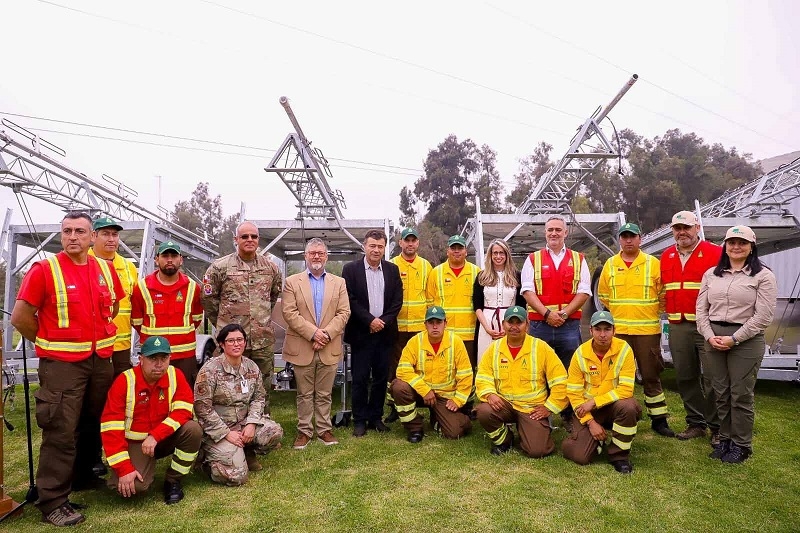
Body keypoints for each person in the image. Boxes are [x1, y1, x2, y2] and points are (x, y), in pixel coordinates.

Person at [11, 211, 124, 526]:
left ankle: (84, 476)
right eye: (67, 231)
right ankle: (52, 500)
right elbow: (20, 317)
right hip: (62, 365)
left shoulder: (105, 268)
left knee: (92, 422)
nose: (73, 237)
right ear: (61, 236)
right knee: (61, 430)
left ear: (91, 238)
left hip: (100, 360)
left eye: (79, 232)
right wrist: (47, 341)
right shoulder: (44, 270)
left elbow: (112, 306)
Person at [696, 225, 777, 463]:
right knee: (720, 392)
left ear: (752, 246)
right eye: (732, 242)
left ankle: (742, 444)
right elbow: (701, 310)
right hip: (714, 336)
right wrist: (709, 335)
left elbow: (763, 317)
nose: (736, 247)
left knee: (740, 394)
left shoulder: (763, 276)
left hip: (746, 340)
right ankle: (726, 439)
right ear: (725, 246)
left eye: (742, 242)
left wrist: (734, 338)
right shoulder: (711, 274)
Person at [101, 336, 201, 505]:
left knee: (193, 430)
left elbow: (183, 410)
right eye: (153, 358)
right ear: (141, 359)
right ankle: (122, 474)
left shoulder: (175, 375)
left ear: (170, 358)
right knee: (135, 487)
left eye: (164, 358)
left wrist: (155, 436)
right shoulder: (125, 381)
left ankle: (173, 480)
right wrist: (124, 468)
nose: (159, 364)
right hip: (135, 443)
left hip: (161, 438)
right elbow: (110, 428)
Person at [598, 222, 675, 437]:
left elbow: (663, 295)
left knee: (651, 376)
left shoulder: (653, 264)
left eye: (632, 236)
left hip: (647, 332)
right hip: (619, 332)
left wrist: (647, 313)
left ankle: (659, 420)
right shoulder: (610, 264)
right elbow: (604, 295)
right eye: (624, 236)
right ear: (620, 240)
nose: (628, 240)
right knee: (615, 377)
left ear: (640, 239)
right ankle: (616, 416)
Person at [202, 221, 283, 414]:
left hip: (261, 340)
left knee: (261, 384)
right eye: (245, 236)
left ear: (258, 240)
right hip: (232, 342)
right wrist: (224, 327)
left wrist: (259, 321)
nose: (249, 240)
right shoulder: (219, 268)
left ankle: (262, 423)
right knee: (229, 384)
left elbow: (271, 298)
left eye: (253, 237)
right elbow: (208, 300)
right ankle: (231, 424)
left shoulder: (270, 268)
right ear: (235, 239)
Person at [520, 215, 591, 431]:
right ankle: (541, 414)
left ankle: (569, 415)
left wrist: (564, 314)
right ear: (544, 233)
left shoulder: (579, 259)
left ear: (566, 232)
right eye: (550, 230)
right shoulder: (533, 259)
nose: (553, 233)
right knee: (539, 370)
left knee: (570, 371)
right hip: (540, 324)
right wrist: (547, 313)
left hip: (568, 325)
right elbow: (527, 290)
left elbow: (585, 290)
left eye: (558, 230)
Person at [281, 238, 351, 449]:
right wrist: (314, 334)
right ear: (305, 256)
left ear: (326, 256)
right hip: (303, 345)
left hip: (329, 345)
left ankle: (324, 429)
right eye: (312, 253)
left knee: (324, 393)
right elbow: (289, 313)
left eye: (320, 253)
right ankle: (304, 431)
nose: (317, 256)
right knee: (304, 393)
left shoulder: (339, 283)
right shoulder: (292, 282)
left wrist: (326, 335)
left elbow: (344, 312)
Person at [660, 211, 722, 443]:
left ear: (697, 227)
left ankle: (717, 426)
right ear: (672, 231)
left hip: (708, 325)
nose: (682, 232)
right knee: (685, 375)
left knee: (714, 377)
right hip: (678, 325)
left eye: (686, 227)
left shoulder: (716, 253)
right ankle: (695, 422)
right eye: (677, 228)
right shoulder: (666, 256)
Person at [194, 324, 283, 484]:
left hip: (244, 424)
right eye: (231, 341)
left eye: (240, 340)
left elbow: (259, 397)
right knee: (237, 476)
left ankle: (246, 452)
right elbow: (202, 408)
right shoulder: (210, 370)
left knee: (273, 432)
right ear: (221, 344)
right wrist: (226, 433)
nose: (236, 344)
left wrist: (252, 423)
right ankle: (205, 462)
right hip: (219, 429)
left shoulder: (251, 366)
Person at [475, 306, 568, 457]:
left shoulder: (541, 348)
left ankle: (536, 429)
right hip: (503, 405)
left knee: (537, 451)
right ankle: (504, 439)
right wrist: (490, 394)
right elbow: (483, 377)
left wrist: (549, 407)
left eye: (519, 322)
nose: (514, 327)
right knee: (484, 411)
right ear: (504, 324)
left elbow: (560, 381)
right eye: (510, 322)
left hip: (531, 409)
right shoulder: (494, 348)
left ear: (528, 325)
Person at [562, 311, 642, 474]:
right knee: (580, 457)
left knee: (629, 406)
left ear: (614, 330)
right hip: (587, 410)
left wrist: (595, 402)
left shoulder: (624, 349)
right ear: (590, 331)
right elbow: (574, 394)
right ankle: (590, 442)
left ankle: (619, 456)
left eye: (607, 329)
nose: (603, 334)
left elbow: (626, 389)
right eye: (598, 329)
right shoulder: (580, 354)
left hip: (613, 406)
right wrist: (590, 422)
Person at [342, 229, 403, 437]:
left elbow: (397, 301)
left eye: (380, 246)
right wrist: (370, 320)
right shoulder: (350, 270)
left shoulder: (393, 270)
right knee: (359, 379)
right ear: (364, 246)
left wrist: (383, 322)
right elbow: (350, 300)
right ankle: (359, 420)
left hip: (385, 334)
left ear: (385, 248)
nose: (376, 250)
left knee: (380, 379)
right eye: (372, 246)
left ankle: (376, 417)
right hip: (361, 333)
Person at [391, 306, 473, 443]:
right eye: (431, 322)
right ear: (425, 324)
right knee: (399, 387)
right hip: (420, 393)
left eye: (439, 322)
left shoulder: (456, 342)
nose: (435, 326)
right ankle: (415, 428)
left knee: (454, 432)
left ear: (445, 324)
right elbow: (402, 369)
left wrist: (458, 400)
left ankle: (444, 418)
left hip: (443, 396)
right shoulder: (415, 342)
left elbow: (466, 374)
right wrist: (424, 390)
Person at [131, 241, 204, 387]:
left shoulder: (192, 287)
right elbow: (136, 322)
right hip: (153, 355)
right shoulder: (142, 287)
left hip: (185, 356)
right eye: (165, 256)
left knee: (184, 396)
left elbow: (196, 319)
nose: (169, 259)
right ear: (156, 259)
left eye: (174, 255)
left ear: (181, 259)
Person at [386, 227, 433, 424]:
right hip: (397, 328)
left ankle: (419, 402)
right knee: (394, 367)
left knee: (418, 368)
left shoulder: (426, 266)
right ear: (401, 243)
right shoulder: (392, 265)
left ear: (418, 244)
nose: (410, 244)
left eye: (414, 240)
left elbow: (431, 298)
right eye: (407, 240)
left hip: (419, 329)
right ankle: (393, 406)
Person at [90, 216, 138, 377]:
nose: (111, 239)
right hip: (92, 346)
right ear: (93, 236)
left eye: (115, 234)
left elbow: (136, 304)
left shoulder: (128, 267)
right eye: (105, 234)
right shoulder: (83, 262)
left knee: (120, 394)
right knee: (95, 397)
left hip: (121, 346)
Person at [427, 235, 481, 367]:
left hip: (469, 334)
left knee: (467, 368)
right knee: (446, 368)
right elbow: (429, 302)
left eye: (460, 248)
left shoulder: (477, 272)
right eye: (453, 248)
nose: (456, 251)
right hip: (445, 333)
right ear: (448, 251)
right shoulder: (436, 273)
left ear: (466, 251)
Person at [473, 239, 525, 363]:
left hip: (512, 322)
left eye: (501, 253)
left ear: (507, 255)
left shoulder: (517, 276)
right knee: (486, 359)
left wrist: (512, 326)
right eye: (495, 253)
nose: (498, 256)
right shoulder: (482, 276)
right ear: (490, 255)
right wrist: (487, 328)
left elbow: (522, 304)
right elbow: (477, 306)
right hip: (486, 323)